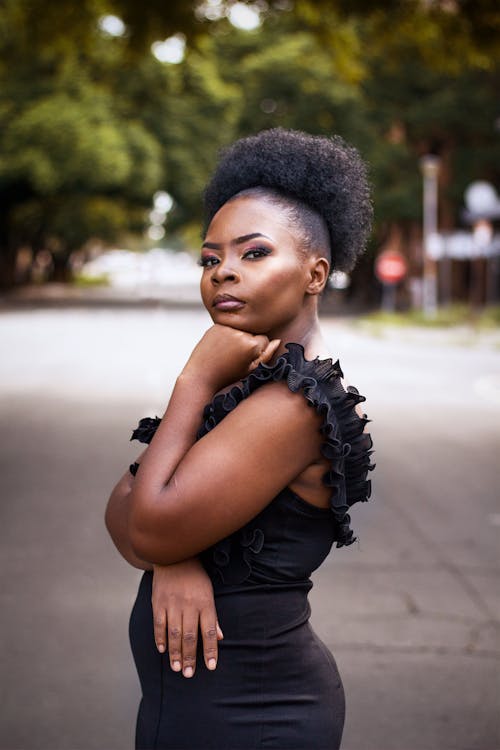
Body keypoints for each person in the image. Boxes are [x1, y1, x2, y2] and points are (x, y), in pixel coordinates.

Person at [105, 127, 375, 750]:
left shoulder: (294, 401)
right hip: (200, 709)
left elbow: (145, 525)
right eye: (210, 258)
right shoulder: (253, 381)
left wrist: (195, 377)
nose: (223, 271)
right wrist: (179, 551)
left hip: (255, 713)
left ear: (315, 273)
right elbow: (122, 516)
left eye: (253, 253)